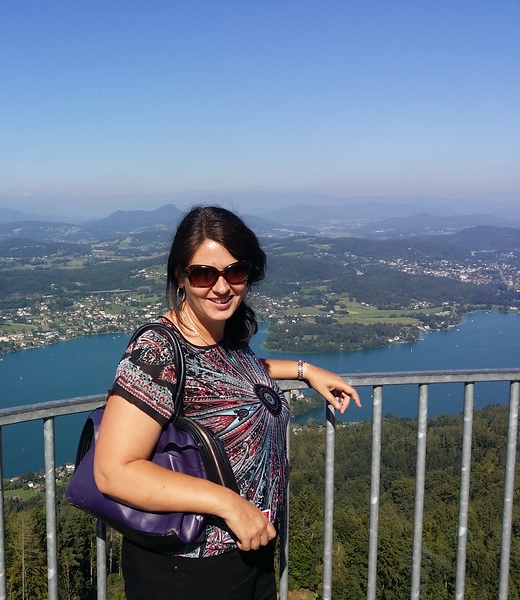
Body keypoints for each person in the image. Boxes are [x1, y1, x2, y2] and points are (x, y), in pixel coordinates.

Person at [94, 206, 361, 600]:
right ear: (180, 277)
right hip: (188, 568)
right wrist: (229, 504)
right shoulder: (157, 350)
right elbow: (114, 472)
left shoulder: (226, 338)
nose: (221, 287)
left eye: (235, 272)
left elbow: (236, 379)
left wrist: (305, 370)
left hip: (248, 553)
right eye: (204, 274)